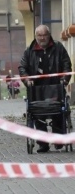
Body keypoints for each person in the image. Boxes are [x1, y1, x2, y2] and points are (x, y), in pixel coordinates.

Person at [19, 24, 72, 153]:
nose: (42, 38)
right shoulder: (29, 51)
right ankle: (42, 143)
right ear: (36, 36)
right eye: (39, 35)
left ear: (49, 35)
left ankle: (58, 140)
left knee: (58, 112)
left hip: (55, 86)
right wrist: (27, 80)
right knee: (37, 114)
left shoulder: (58, 48)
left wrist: (64, 79)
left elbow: (66, 64)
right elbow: (22, 68)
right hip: (37, 89)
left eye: (44, 35)